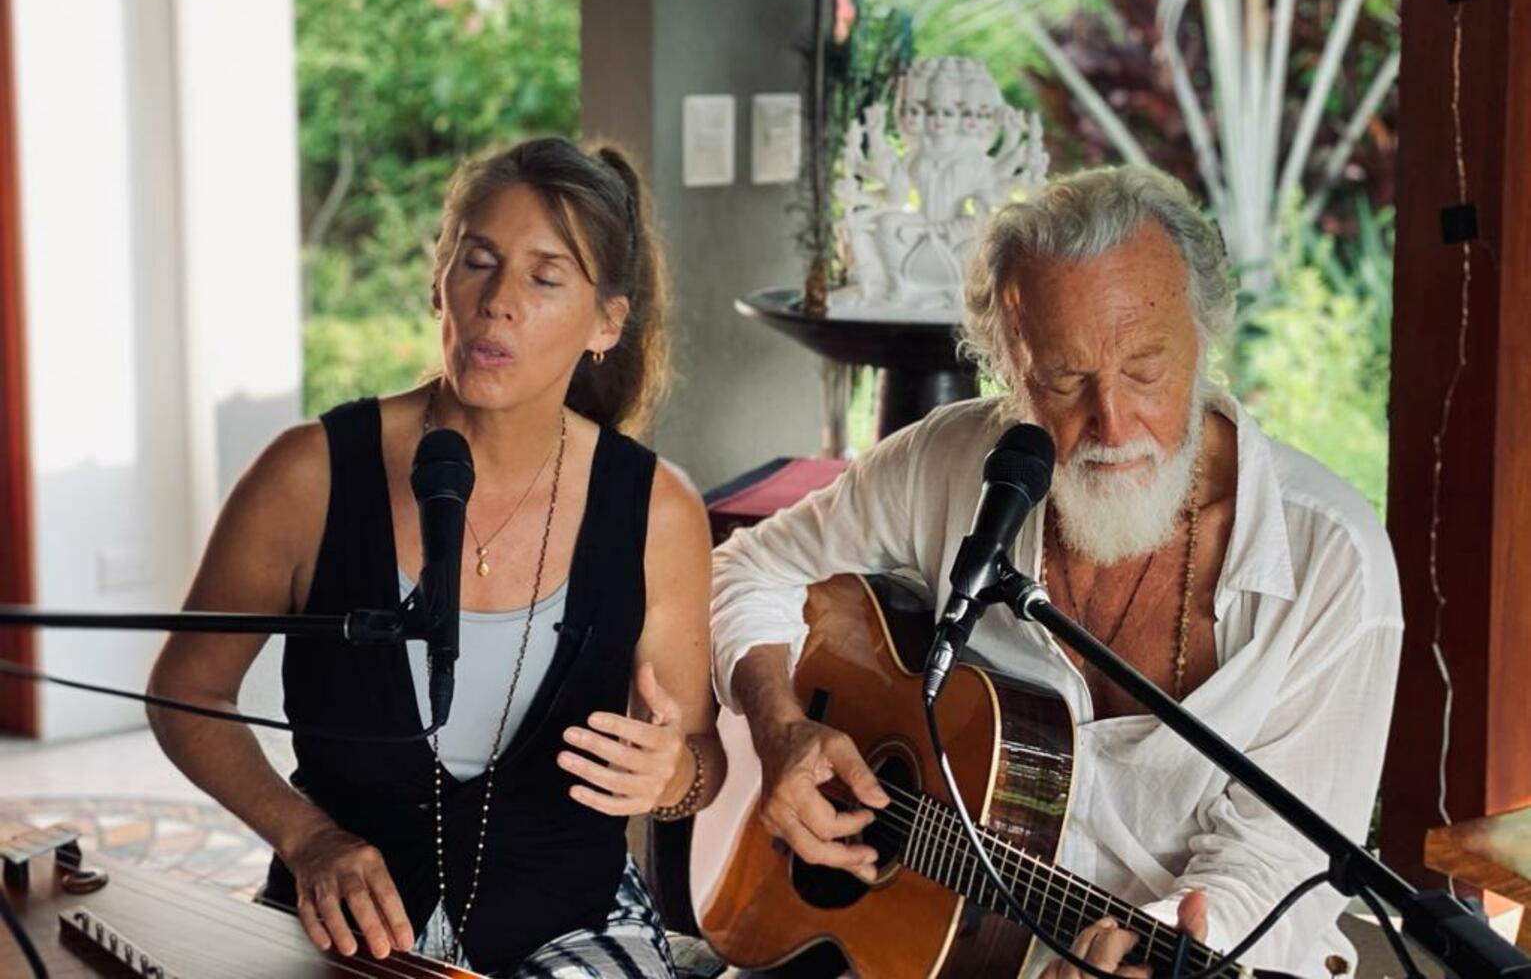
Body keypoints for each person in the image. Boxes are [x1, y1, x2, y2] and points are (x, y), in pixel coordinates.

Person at [711, 165, 1402, 978]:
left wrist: (1155, 946)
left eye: (1144, 369)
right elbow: (743, 571)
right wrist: (780, 726)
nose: (1110, 422)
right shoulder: (948, 462)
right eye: (1064, 379)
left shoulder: (1330, 561)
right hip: (929, 945)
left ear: (1204, 337)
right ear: (1008, 367)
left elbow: (1279, 864)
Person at [148, 137, 722, 978]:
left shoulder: (656, 511)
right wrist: (306, 838)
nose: (497, 303)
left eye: (545, 278)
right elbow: (185, 693)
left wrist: (672, 776)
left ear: (606, 322)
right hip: (345, 924)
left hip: (575, 921)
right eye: (477, 261)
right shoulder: (308, 475)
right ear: (438, 280)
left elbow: (701, 757)